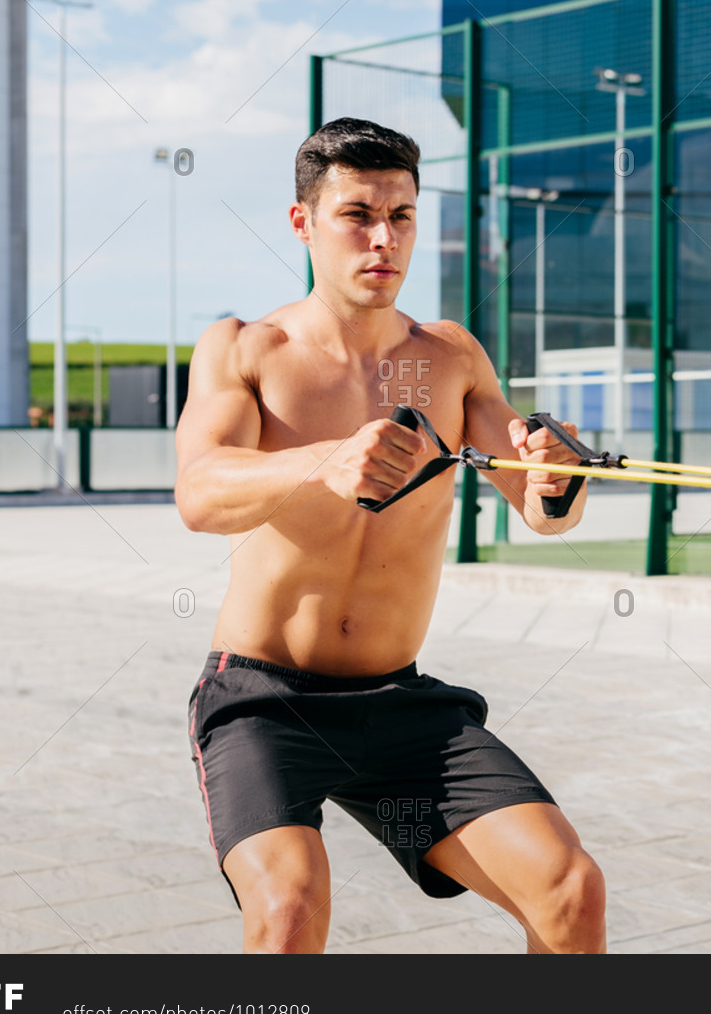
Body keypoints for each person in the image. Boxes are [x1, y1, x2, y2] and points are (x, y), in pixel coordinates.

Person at [173, 117, 605, 954]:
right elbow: (198, 493)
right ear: (303, 223)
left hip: (398, 704)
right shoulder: (244, 349)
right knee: (291, 909)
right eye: (357, 215)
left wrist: (560, 473)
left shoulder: (450, 356)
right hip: (266, 703)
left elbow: (545, 508)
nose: (384, 238)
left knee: (569, 889)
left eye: (402, 215)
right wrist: (325, 462)